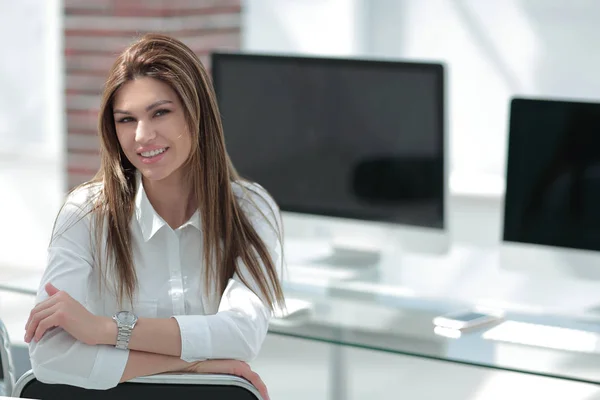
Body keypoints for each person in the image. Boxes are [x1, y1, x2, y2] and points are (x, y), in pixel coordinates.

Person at [23, 33, 285, 400]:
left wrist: (105, 330)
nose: (142, 136)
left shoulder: (251, 210)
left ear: (197, 113)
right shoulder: (85, 213)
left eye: (160, 112)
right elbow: (50, 355)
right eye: (126, 120)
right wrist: (194, 366)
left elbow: (241, 334)